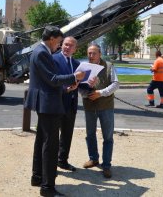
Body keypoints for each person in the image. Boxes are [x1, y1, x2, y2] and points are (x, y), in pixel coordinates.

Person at [25, 26, 85, 197]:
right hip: (48, 105)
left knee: (41, 142)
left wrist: (66, 89)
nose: (59, 46)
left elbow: (46, 82)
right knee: (50, 146)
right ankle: (47, 187)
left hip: (46, 102)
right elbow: (52, 79)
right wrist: (75, 77)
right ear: (52, 38)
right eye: (59, 42)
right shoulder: (42, 53)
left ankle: (37, 177)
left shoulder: (39, 51)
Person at [79, 43, 119, 179]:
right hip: (89, 107)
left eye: (94, 53)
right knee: (90, 134)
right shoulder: (84, 68)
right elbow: (79, 87)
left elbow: (115, 84)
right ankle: (93, 158)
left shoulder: (108, 66)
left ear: (100, 54)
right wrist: (86, 92)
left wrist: (100, 93)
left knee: (108, 137)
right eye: (89, 53)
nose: (91, 56)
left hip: (105, 106)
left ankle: (106, 165)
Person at [52, 36, 80, 172]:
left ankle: (62, 161)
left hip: (71, 103)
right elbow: (51, 81)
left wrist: (92, 82)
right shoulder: (53, 59)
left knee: (67, 135)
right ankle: (50, 164)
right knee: (52, 136)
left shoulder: (76, 64)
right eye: (65, 44)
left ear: (75, 49)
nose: (67, 47)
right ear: (61, 45)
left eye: (70, 45)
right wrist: (66, 89)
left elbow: (82, 82)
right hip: (57, 103)